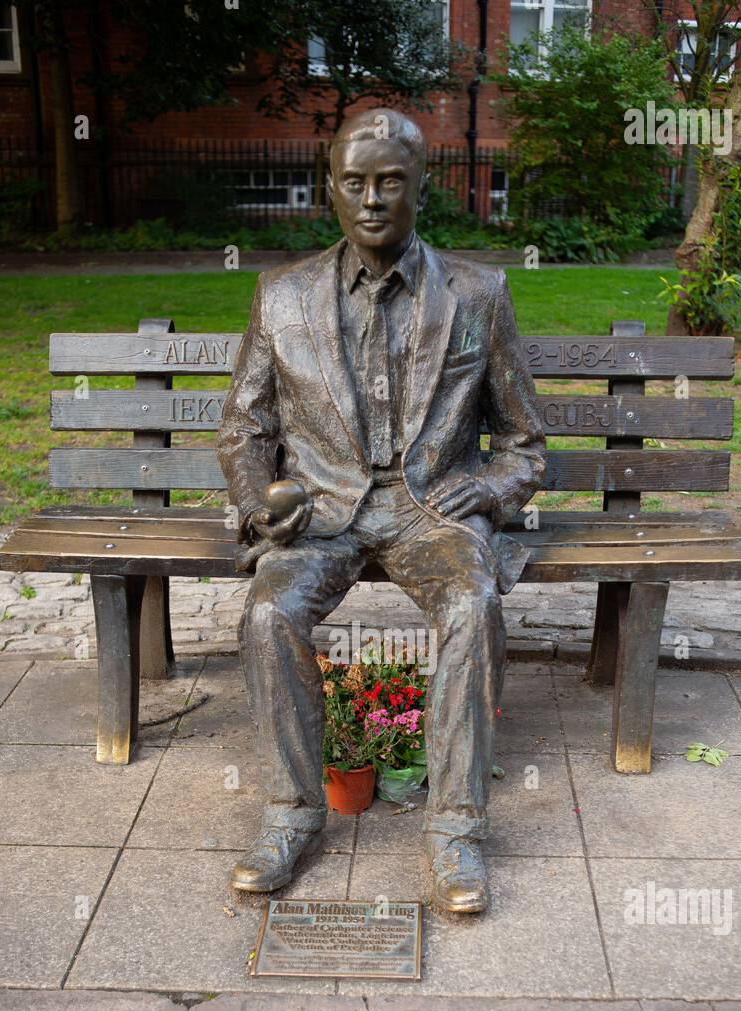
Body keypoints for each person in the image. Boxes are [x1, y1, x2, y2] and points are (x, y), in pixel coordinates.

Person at [218, 108, 545, 913]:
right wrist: (261, 499)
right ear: (331, 189)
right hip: (322, 512)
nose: (372, 200)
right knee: (268, 616)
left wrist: (496, 488)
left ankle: (456, 830)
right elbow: (244, 429)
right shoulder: (282, 295)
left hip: (426, 509)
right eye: (355, 183)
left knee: (472, 602)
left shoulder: (478, 292)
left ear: (421, 189)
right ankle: (293, 814)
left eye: (389, 183)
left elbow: (525, 444)